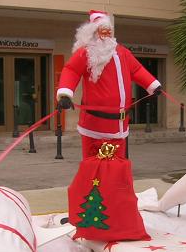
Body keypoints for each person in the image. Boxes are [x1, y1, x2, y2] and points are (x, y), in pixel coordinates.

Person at [56, 10, 162, 158]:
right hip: (95, 126)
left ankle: (113, 181)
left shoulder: (122, 52)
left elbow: (137, 70)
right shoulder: (85, 53)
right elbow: (71, 70)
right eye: (102, 31)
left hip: (119, 125)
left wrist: (153, 85)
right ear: (93, 32)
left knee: (115, 165)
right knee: (95, 166)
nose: (106, 35)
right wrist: (65, 94)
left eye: (108, 31)